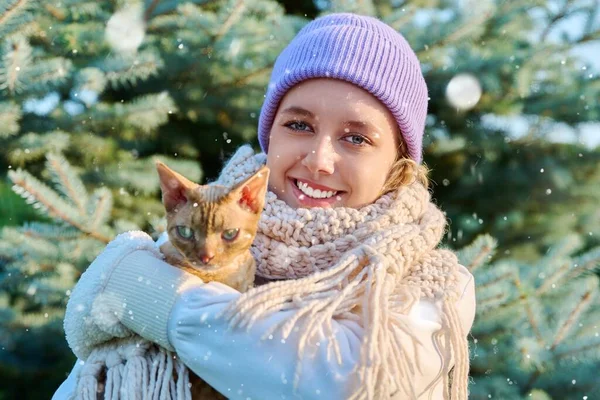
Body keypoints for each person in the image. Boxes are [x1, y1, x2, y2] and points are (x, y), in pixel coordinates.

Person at [54, 12, 476, 400]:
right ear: (269, 135)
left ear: (397, 166)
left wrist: (165, 303)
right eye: (298, 125)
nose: (318, 159)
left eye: (356, 138)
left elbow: (343, 382)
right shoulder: (204, 238)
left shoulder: (428, 285)